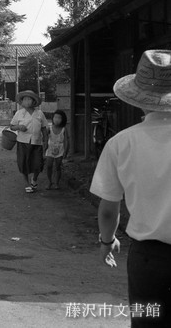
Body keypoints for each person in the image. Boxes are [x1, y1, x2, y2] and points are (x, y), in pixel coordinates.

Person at [90, 50, 171, 327]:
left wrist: (106, 240)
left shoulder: (121, 143)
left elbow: (109, 209)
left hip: (149, 259)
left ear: (139, 101)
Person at [9, 90, 48, 193]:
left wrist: (46, 141)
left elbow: (44, 128)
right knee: (23, 163)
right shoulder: (19, 113)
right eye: (25, 99)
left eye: (29, 99)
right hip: (22, 142)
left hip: (36, 142)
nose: (26, 101)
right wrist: (19, 127)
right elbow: (12, 126)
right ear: (21, 101)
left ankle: (34, 179)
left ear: (33, 101)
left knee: (38, 163)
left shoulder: (39, 113)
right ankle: (27, 183)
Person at [44, 110, 69, 190]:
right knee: (49, 166)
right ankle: (49, 181)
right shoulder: (49, 128)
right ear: (52, 118)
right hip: (50, 149)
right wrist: (44, 149)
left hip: (60, 149)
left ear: (63, 119)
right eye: (55, 117)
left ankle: (57, 183)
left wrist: (65, 151)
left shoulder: (64, 129)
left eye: (59, 118)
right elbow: (45, 139)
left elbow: (66, 141)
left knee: (58, 166)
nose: (57, 119)